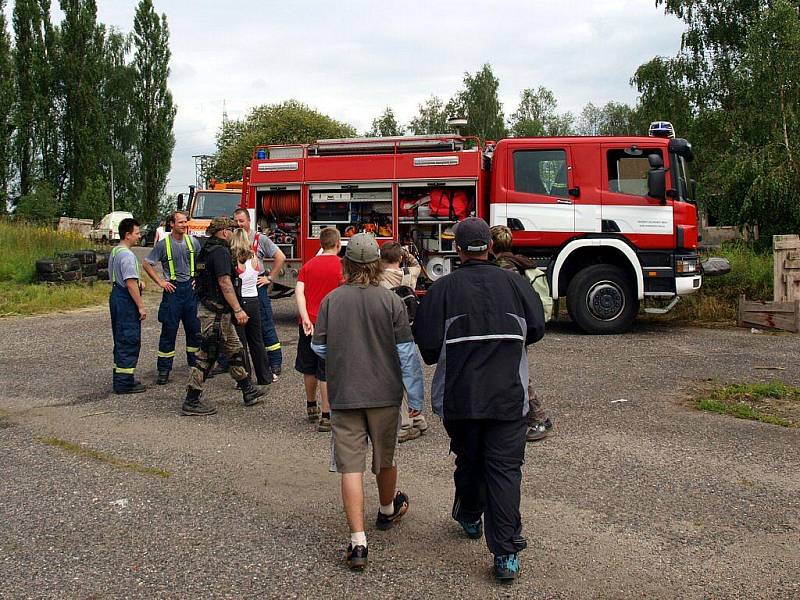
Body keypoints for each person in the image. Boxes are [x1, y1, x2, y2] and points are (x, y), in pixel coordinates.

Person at [412, 217, 545, 582]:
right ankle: (505, 554)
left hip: (461, 398)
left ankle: (470, 514)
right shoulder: (515, 284)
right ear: (490, 245)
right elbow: (536, 328)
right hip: (508, 396)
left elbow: (426, 348)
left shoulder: (442, 290)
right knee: (504, 470)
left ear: (456, 249)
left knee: (469, 460)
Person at [311, 233, 415, 571]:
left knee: (350, 466)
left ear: (347, 263)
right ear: (375, 263)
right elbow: (406, 354)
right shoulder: (391, 301)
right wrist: (415, 399)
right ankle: (386, 510)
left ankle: (358, 542)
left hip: (345, 394)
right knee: (385, 457)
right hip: (385, 393)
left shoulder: (332, 301)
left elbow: (320, 348)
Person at [183, 216, 266, 416]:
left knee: (234, 350)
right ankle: (191, 400)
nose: (233, 233)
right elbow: (224, 282)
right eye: (231, 229)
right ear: (225, 232)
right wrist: (238, 309)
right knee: (207, 354)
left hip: (216, 311)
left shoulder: (206, 250)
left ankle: (248, 390)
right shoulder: (220, 252)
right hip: (216, 313)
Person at [489, 224, 554, 442]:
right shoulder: (520, 261)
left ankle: (538, 418)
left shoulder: (504, 266)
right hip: (522, 325)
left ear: (491, 245)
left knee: (517, 373)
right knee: (516, 370)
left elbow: (507, 297)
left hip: (513, 326)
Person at [142, 211, 202, 385]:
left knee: (194, 331)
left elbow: (202, 263)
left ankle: (195, 366)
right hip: (173, 292)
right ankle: (164, 370)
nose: (184, 225)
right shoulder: (163, 244)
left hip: (190, 292)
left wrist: (198, 279)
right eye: (181, 222)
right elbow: (147, 263)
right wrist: (160, 282)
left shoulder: (193, 242)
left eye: (186, 222)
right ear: (172, 224)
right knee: (168, 332)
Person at [378, 241, 428, 442]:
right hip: (408, 332)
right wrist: (408, 255)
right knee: (411, 375)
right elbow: (419, 267)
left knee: (395, 377)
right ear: (399, 258)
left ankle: (405, 424)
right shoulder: (409, 276)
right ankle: (418, 418)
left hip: (388, 333)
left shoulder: (379, 278)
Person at [295, 227, 342, 432]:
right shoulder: (342, 266)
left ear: (320, 244)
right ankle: (326, 415)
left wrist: (305, 318)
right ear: (338, 244)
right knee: (326, 369)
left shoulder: (308, 265)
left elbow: (299, 292)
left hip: (309, 323)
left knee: (309, 365)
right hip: (331, 324)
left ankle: (310, 404)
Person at [233, 208, 286, 376]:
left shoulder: (259, 239)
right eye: (236, 221)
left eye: (241, 221)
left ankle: (275, 362)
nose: (238, 224)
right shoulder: (233, 239)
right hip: (239, 289)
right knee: (237, 328)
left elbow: (281, 257)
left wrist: (269, 278)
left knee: (265, 325)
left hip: (258, 288)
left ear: (249, 221)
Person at [230, 228, 273, 385]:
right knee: (257, 340)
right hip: (254, 300)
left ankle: (245, 378)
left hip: (241, 302)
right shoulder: (253, 257)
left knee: (241, 342)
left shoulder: (234, 259)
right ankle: (264, 376)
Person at [108, 218, 146, 394]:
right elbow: (130, 283)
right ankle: (124, 383)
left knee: (120, 337)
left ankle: (122, 377)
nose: (139, 236)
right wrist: (140, 306)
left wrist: (139, 282)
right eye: (137, 233)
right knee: (128, 338)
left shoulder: (116, 251)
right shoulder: (128, 255)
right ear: (127, 234)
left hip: (116, 295)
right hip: (125, 300)